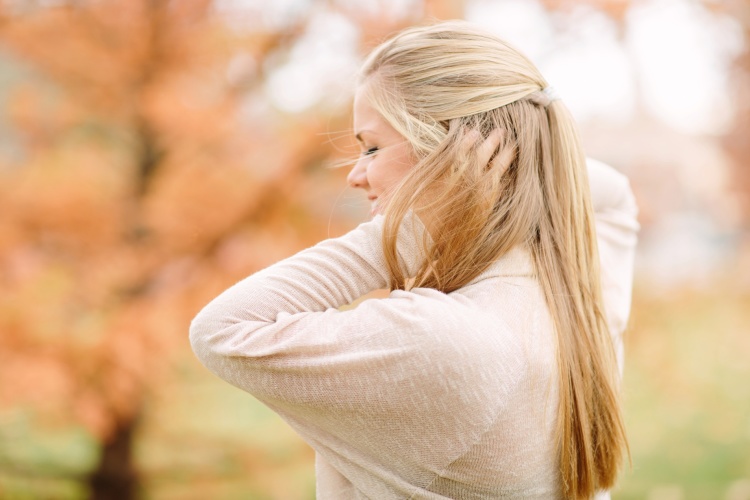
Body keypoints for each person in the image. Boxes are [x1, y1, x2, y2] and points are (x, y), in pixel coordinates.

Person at [190, 20, 639, 499]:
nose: (356, 175)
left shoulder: (441, 340)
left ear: (445, 153)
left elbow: (221, 331)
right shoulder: (578, 304)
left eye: (373, 147)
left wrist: (413, 224)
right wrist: (524, 175)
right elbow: (615, 200)